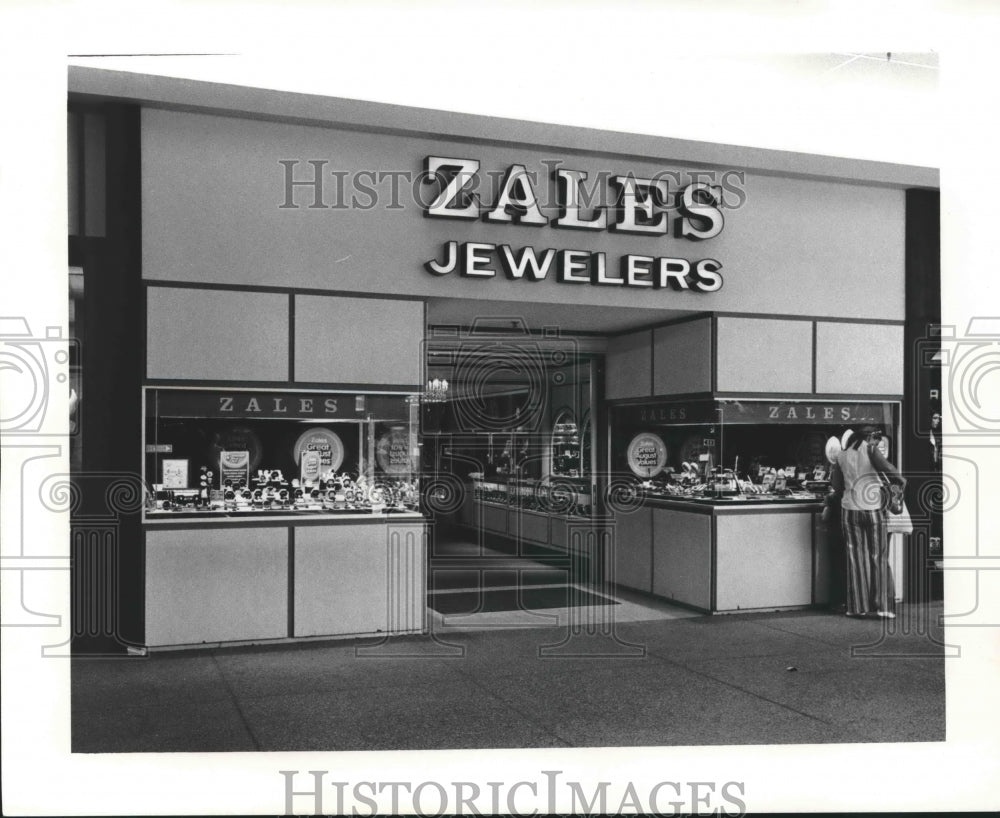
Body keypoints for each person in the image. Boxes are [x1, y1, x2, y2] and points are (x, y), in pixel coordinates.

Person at [830, 426, 906, 618]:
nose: (877, 442)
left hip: (849, 511)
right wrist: (901, 482)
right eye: (876, 438)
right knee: (878, 557)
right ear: (869, 437)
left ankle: (857, 607)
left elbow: (837, 486)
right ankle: (884, 607)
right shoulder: (870, 450)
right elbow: (888, 469)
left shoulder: (841, 455)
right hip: (873, 508)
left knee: (855, 558)